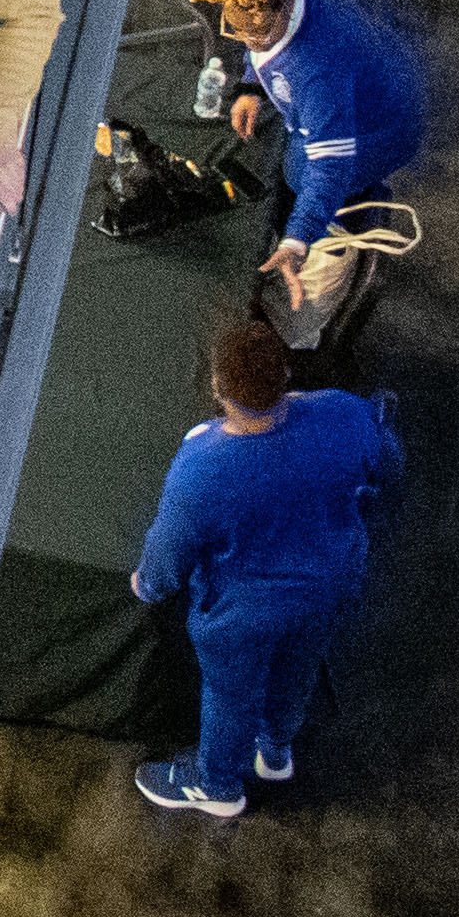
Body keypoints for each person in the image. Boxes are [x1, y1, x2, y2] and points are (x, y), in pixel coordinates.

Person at [128, 313, 404, 816]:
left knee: (231, 697)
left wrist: (146, 585)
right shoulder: (345, 413)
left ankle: (217, 789)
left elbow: (168, 556)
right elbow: (388, 461)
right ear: (286, 374)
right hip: (329, 590)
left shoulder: (199, 470)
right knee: (298, 669)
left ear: (217, 387)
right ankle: (274, 752)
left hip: (242, 618)